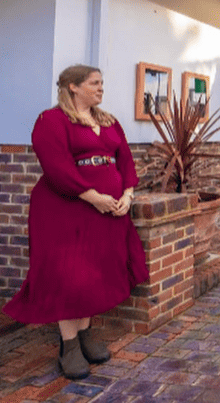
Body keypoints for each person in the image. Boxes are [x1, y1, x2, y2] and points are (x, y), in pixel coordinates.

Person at [2, 65, 149, 380]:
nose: (100, 88)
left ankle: (85, 335)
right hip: (66, 210)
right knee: (69, 275)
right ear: (72, 86)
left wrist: (128, 193)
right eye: (94, 83)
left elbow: (124, 158)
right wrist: (92, 195)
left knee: (95, 273)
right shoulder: (51, 121)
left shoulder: (108, 121)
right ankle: (68, 346)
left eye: (101, 83)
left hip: (107, 211)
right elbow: (55, 165)